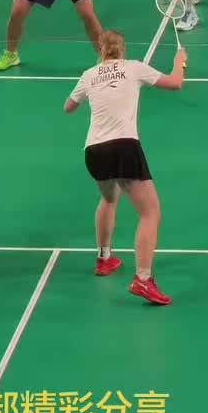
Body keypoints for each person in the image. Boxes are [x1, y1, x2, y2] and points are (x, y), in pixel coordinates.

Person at [64, 27, 187, 306]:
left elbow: (68, 107)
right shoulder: (133, 67)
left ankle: (104, 259)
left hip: (94, 151)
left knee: (109, 197)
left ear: (100, 50)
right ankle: (143, 279)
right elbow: (175, 83)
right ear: (122, 49)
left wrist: (95, 92)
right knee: (150, 212)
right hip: (124, 147)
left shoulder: (88, 74)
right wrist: (180, 61)